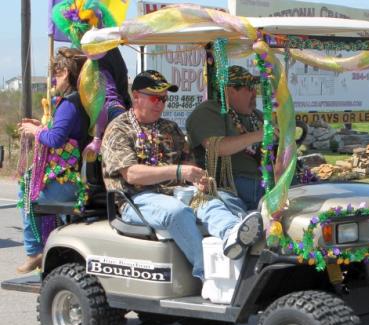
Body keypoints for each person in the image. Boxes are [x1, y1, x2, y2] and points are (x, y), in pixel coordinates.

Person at [100, 70, 263, 280]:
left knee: (210, 201)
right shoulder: (118, 129)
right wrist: (179, 171)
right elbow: (131, 174)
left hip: (174, 193)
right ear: (136, 96)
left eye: (164, 99)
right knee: (177, 211)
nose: (160, 103)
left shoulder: (170, 128)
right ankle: (206, 273)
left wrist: (199, 181)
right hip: (135, 199)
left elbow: (188, 164)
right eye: (155, 98)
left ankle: (233, 235)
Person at [16, 47, 90, 274]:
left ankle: (34, 251)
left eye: (56, 75)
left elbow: (56, 139)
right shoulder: (79, 101)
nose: (54, 80)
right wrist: (41, 127)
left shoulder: (69, 103)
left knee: (27, 194)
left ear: (65, 73)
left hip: (67, 180)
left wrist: (34, 132)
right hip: (73, 177)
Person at [186, 65, 264, 215]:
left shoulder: (257, 116)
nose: (255, 93)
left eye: (255, 88)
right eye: (249, 88)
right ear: (230, 90)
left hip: (263, 183)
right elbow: (216, 147)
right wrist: (259, 135)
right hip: (229, 186)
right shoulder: (209, 111)